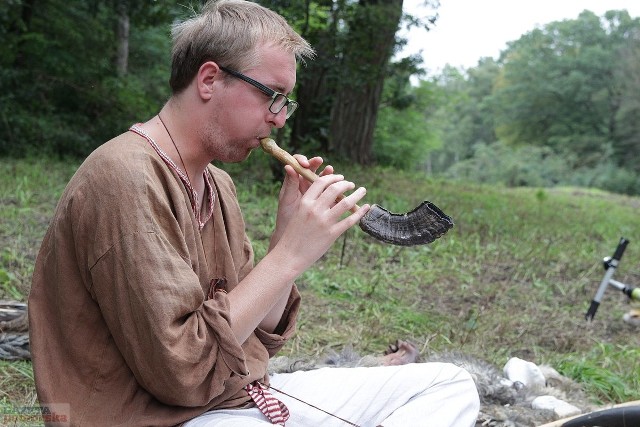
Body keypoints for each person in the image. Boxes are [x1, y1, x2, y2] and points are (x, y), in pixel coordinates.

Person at [28, 1, 480, 426]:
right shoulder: (124, 178)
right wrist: (290, 257)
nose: (280, 119)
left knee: (448, 386)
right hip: (160, 418)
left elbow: (257, 328)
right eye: (272, 95)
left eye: (286, 101)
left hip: (233, 401)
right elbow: (182, 371)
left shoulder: (217, 183)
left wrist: (286, 236)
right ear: (209, 80)